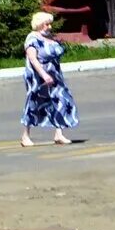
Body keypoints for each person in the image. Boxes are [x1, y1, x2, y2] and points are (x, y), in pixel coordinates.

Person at [20, 11, 77, 148]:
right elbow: (33, 59)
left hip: (55, 76)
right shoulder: (32, 38)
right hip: (38, 77)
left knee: (61, 100)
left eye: (50, 24)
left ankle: (59, 134)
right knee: (35, 103)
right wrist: (44, 74)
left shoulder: (49, 37)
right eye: (47, 24)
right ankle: (25, 136)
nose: (49, 27)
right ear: (39, 24)